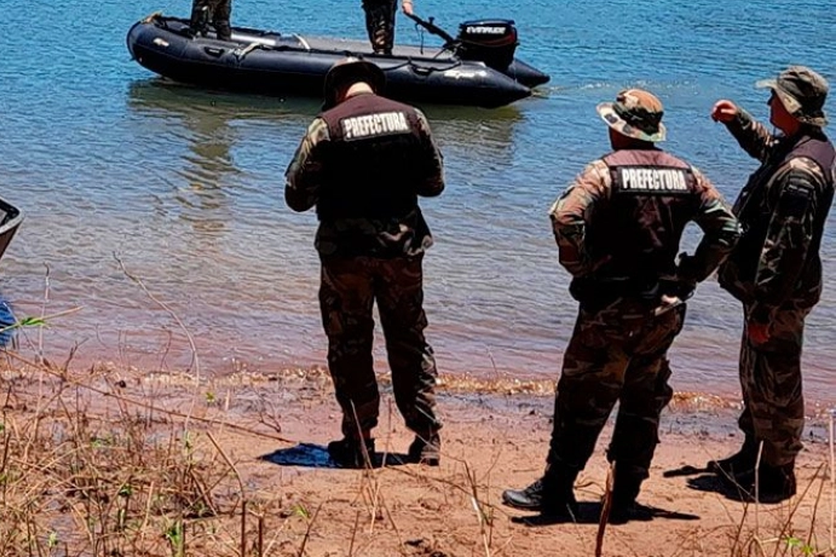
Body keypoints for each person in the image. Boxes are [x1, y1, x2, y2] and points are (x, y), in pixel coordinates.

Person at [502, 89, 740, 520]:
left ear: (619, 128)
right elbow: (727, 229)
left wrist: (582, 267)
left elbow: (564, 217)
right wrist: (690, 274)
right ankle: (625, 495)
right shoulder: (686, 174)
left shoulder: (604, 173)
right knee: (643, 400)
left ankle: (556, 492)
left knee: (581, 398)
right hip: (661, 309)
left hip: (610, 307)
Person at [284, 58, 445, 468]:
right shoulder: (413, 119)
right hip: (402, 252)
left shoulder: (327, 126)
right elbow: (434, 186)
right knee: (409, 339)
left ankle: (359, 439)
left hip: (346, 256)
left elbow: (296, 197)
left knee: (350, 343)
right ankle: (427, 439)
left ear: (337, 91)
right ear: (373, 86)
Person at [707, 66, 834, 503]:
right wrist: (738, 121)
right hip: (768, 293)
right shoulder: (799, 147)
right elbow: (768, 147)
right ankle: (752, 454)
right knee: (755, 375)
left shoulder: (802, 171)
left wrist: (764, 310)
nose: (769, 105)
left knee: (777, 382)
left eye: (775, 100)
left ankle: (777, 474)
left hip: (780, 297)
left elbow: (786, 249)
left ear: (794, 108)